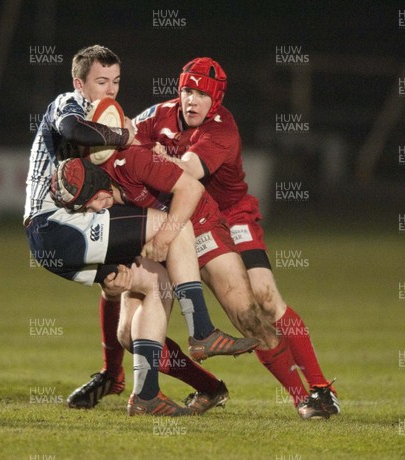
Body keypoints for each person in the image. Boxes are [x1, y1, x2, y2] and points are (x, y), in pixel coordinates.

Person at [24, 45, 250, 415]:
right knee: (175, 226)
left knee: (152, 286)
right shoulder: (71, 105)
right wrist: (121, 137)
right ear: (79, 83)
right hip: (55, 228)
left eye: (115, 82)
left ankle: (146, 393)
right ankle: (202, 330)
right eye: (101, 82)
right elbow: (70, 127)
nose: (110, 91)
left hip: (65, 237)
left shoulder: (115, 141)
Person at [132, 57, 341, 419]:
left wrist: (150, 156)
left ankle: (319, 389)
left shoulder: (222, 129)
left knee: (264, 298)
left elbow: (187, 173)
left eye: (201, 94)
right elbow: (124, 140)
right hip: (186, 219)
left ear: (216, 100)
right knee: (131, 318)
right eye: (187, 91)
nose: (192, 101)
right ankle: (175, 382)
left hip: (231, 216)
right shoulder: (157, 115)